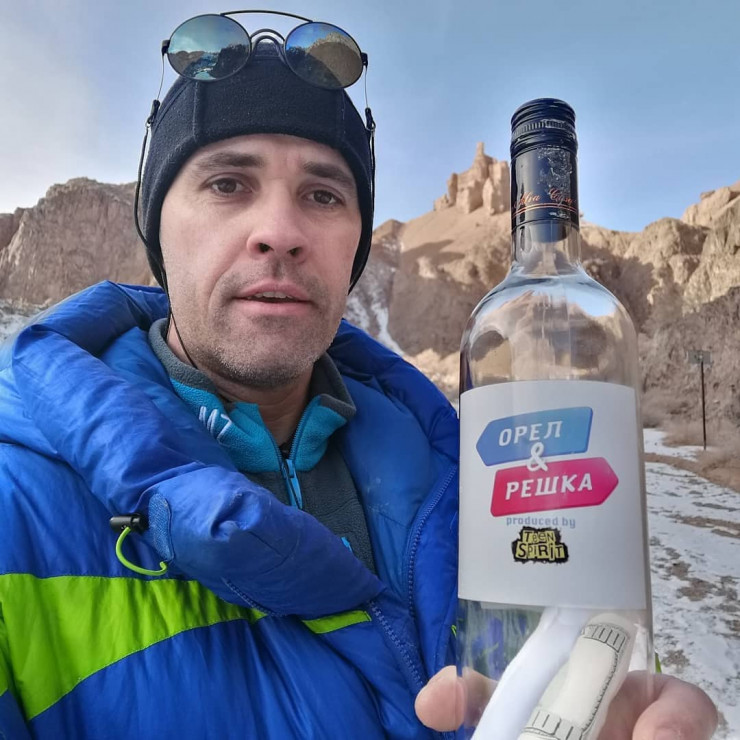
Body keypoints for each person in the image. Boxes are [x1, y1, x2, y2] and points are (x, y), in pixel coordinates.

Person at [0, 10, 717, 740]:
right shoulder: (13, 512)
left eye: (323, 195)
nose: (279, 232)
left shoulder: (461, 479)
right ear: (155, 227)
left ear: (355, 248)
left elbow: (546, 682)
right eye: (227, 184)